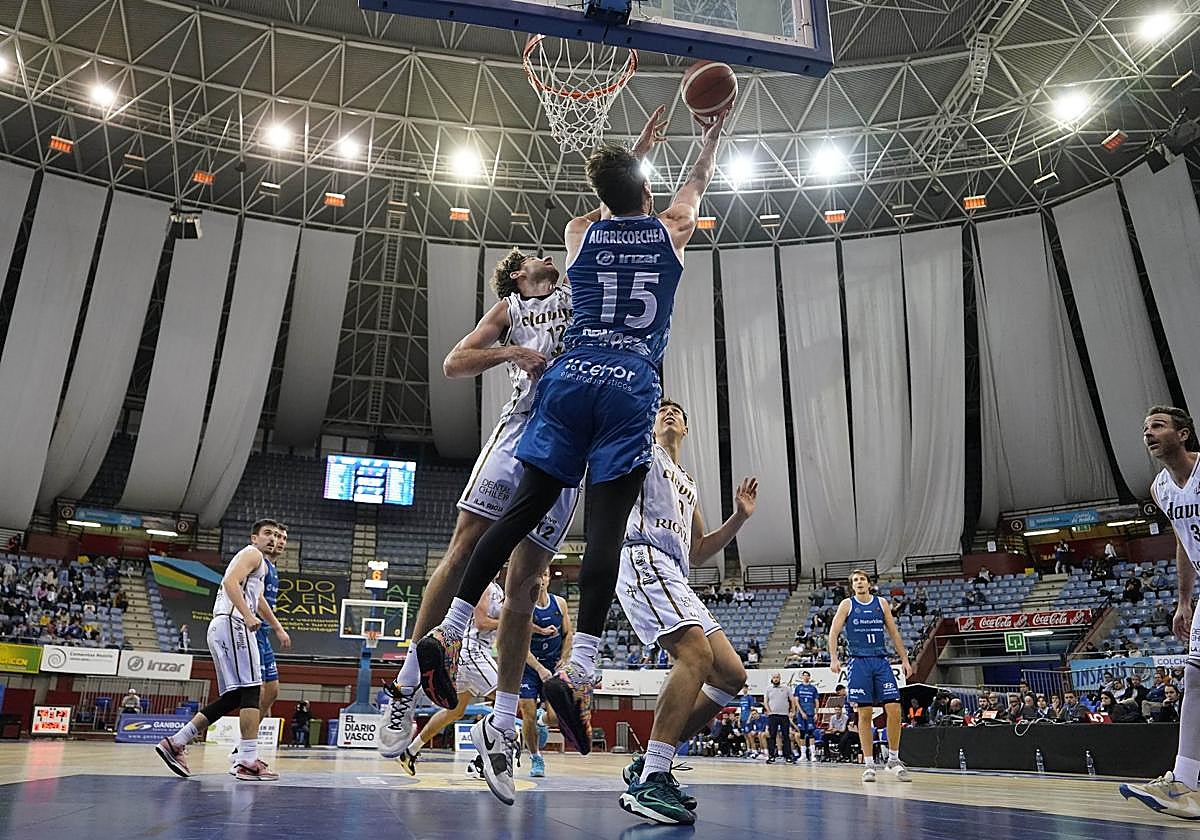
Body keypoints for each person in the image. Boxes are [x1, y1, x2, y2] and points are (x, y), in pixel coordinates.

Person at [417, 106, 727, 809]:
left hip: (570, 378)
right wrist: (709, 132)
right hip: (629, 384)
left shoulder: (579, 234)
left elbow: (606, 202)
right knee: (607, 525)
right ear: (647, 196)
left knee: (519, 511)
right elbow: (696, 183)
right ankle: (582, 662)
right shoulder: (672, 228)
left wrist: (632, 158)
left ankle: (453, 626)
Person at [376, 240, 580, 761]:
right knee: (464, 545)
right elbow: (454, 362)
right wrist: (511, 351)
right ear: (517, 276)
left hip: (569, 440)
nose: (546, 255)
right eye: (532, 256)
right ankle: (404, 687)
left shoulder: (576, 291)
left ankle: (503, 724)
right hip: (520, 428)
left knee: (527, 581)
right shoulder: (510, 309)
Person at [615, 399, 757, 824]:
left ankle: (651, 763)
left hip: (677, 572)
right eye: (663, 410)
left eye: (677, 411)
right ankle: (652, 780)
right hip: (644, 556)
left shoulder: (688, 482)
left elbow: (697, 550)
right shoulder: (645, 452)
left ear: (688, 429)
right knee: (695, 654)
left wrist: (739, 518)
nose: (670, 413)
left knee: (731, 674)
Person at [155, 519, 284, 781]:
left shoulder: (260, 566)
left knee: (236, 696)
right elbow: (229, 581)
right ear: (254, 538)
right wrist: (248, 615)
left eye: (277, 535)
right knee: (252, 690)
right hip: (233, 622)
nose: (273, 539)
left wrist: (276, 627)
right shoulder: (252, 554)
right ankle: (247, 760)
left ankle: (177, 742)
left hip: (225, 625)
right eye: (267, 534)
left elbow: (256, 597)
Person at [1122, 406, 1200, 818]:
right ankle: (1185, 782)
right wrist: (1184, 600)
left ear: (1183, 434)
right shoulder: (1160, 488)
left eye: (1157, 426)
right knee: (1195, 677)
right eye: (1145, 428)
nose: (1148, 433)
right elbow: (1183, 541)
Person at [396, 576, 507, 777]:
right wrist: (509, 621)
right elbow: (482, 623)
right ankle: (480, 761)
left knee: (454, 712)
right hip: (473, 651)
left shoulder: (498, 589)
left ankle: (410, 751)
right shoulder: (485, 586)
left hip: (473, 652)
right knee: (507, 701)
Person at [828, 569, 913, 783]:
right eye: (855, 580)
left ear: (868, 583)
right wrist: (834, 658)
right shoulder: (847, 604)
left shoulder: (881, 603)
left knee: (894, 709)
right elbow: (834, 632)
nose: (859, 582)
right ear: (852, 585)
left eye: (862, 579)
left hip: (880, 661)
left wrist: (905, 660)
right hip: (858, 662)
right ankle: (868, 764)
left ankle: (893, 759)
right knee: (864, 714)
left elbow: (893, 633)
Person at [518, 567, 571, 779]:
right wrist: (539, 669)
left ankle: (543, 721)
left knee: (556, 717)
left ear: (549, 579)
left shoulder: (560, 603)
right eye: (538, 575)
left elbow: (568, 634)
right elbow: (520, 645)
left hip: (552, 665)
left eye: (545, 575)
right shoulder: (524, 607)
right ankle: (535, 757)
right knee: (527, 712)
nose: (542, 579)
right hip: (529, 667)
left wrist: (564, 659)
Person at [763, 673, 797, 765]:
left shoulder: (786, 688)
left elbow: (792, 700)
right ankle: (771, 756)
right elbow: (765, 701)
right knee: (772, 736)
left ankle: (788, 756)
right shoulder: (768, 689)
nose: (776, 679)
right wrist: (769, 711)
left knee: (786, 736)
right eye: (774, 677)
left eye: (777, 677)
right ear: (772, 679)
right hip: (773, 716)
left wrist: (793, 711)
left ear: (780, 678)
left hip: (784, 715)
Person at [793, 671, 820, 760]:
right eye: (804, 676)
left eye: (807, 676)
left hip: (810, 713)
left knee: (811, 733)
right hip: (801, 714)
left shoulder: (813, 688)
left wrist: (816, 713)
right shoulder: (798, 688)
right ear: (802, 677)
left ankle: (813, 755)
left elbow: (816, 701)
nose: (805, 677)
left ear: (809, 677)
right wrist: (801, 712)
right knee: (802, 733)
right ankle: (803, 755)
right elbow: (796, 701)